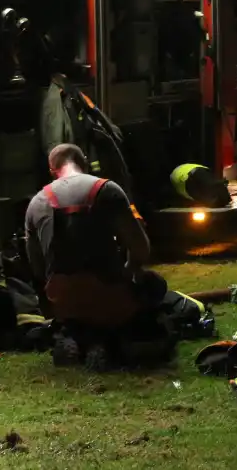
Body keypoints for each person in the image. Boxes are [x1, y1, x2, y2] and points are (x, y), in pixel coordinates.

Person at [24, 143, 168, 367]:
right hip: (109, 296)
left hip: (63, 301)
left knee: (73, 304)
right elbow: (141, 249)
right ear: (84, 161)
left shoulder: (36, 203)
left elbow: (36, 267)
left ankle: (73, 334)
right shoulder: (108, 189)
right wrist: (130, 270)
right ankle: (111, 340)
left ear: (52, 169)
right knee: (153, 283)